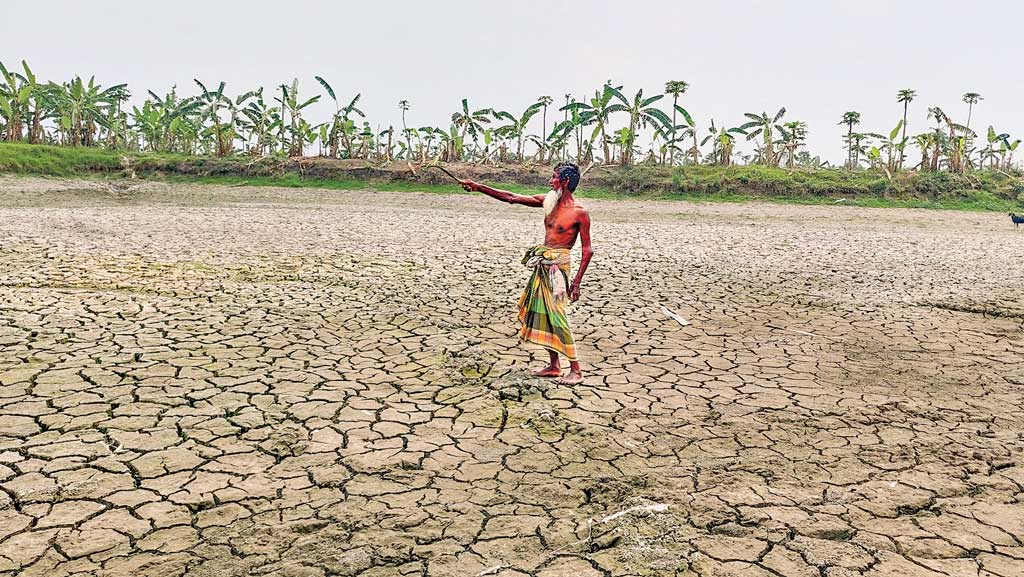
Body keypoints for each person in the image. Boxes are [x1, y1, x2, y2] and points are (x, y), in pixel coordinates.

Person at [459, 163, 594, 384]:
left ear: (565, 182)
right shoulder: (549, 202)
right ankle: (554, 365)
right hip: (543, 265)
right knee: (542, 312)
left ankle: (576, 370)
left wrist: (576, 283)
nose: (550, 181)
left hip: (558, 269)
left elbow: (587, 250)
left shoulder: (579, 212)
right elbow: (512, 197)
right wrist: (478, 187)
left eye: (554, 178)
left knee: (558, 315)